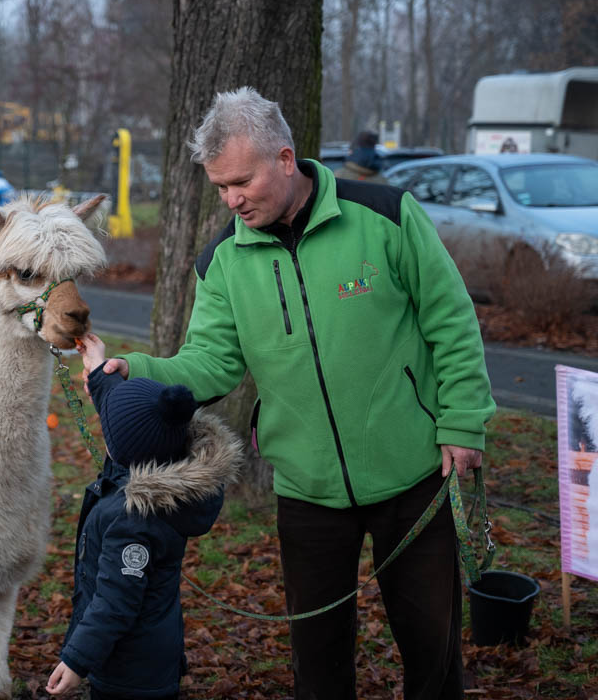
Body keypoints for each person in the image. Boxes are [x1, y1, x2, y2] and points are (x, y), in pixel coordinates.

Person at [91, 87, 495, 700]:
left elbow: (452, 319)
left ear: (284, 159)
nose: (231, 199)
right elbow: (212, 361)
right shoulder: (222, 262)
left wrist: (462, 421)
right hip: (307, 490)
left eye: (241, 182)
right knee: (318, 662)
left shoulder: (385, 214)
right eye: (220, 187)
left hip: (414, 472)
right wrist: (138, 370)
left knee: (431, 652)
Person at [47, 334, 240, 700]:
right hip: (149, 659)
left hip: (130, 675)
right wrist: (97, 363)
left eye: (109, 428)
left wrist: (76, 660)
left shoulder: (133, 521)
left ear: (122, 451)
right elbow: (121, 409)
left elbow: (114, 603)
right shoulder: (158, 453)